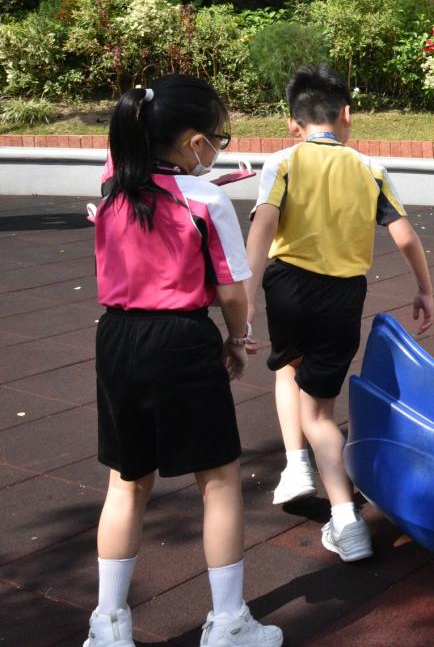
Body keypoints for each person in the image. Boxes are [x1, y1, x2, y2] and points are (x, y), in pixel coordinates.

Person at [87, 75, 282, 646]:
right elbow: (232, 292)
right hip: (180, 340)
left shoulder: (113, 187)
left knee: (126, 483)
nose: (219, 148)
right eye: (218, 139)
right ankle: (228, 623)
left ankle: (108, 626)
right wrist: (238, 339)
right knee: (218, 480)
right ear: (195, 143)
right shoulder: (205, 199)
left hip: (116, 337)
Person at [243, 64, 434, 562]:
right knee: (321, 412)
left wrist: (245, 296)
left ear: (293, 123)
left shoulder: (283, 161)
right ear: (346, 114)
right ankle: (340, 515)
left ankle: (305, 474)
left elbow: (263, 227)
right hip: (344, 294)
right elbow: (405, 236)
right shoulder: (370, 168)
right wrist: (424, 289)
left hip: (288, 285)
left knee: (288, 366)